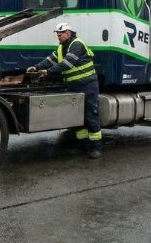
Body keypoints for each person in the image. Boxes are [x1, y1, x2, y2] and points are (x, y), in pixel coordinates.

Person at [27, 22, 102, 159]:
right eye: (57, 35)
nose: (58, 37)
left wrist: (48, 72)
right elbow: (51, 59)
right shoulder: (62, 48)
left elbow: (67, 63)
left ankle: (95, 148)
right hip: (74, 86)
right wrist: (36, 67)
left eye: (60, 35)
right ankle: (84, 146)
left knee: (91, 114)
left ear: (68, 33)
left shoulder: (77, 44)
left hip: (87, 85)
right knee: (77, 116)